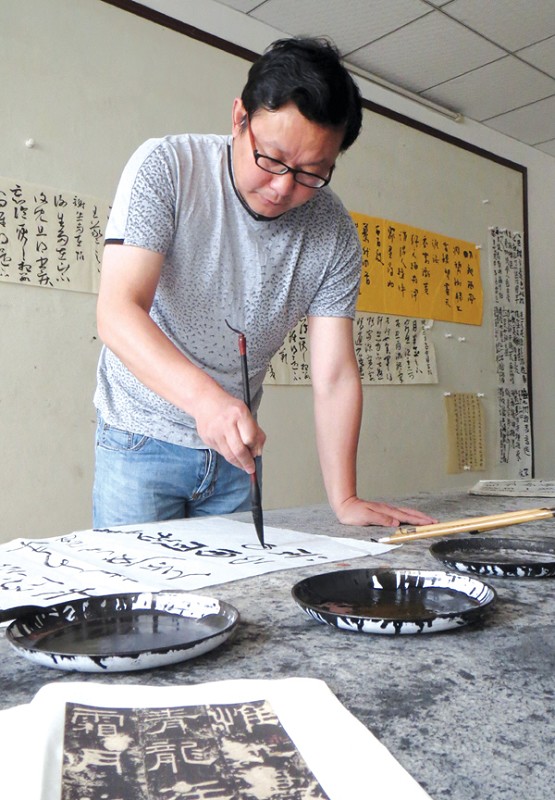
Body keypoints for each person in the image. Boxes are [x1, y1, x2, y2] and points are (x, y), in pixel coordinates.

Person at [93, 36, 435, 530]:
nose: (283, 187)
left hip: (236, 452)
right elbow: (118, 311)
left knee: (239, 581)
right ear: (239, 118)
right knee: (135, 583)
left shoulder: (332, 232)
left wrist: (345, 498)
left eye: (312, 173)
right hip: (138, 436)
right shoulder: (169, 168)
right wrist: (207, 403)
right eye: (271, 159)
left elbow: (335, 374)